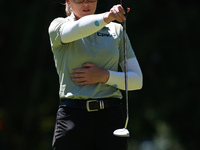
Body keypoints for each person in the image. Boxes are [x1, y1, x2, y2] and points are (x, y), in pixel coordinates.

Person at [48, 0, 143, 149]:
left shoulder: (116, 29)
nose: (86, 3)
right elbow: (77, 29)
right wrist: (107, 16)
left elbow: (137, 80)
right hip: (73, 116)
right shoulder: (59, 26)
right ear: (68, 1)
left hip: (111, 118)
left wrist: (104, 76)